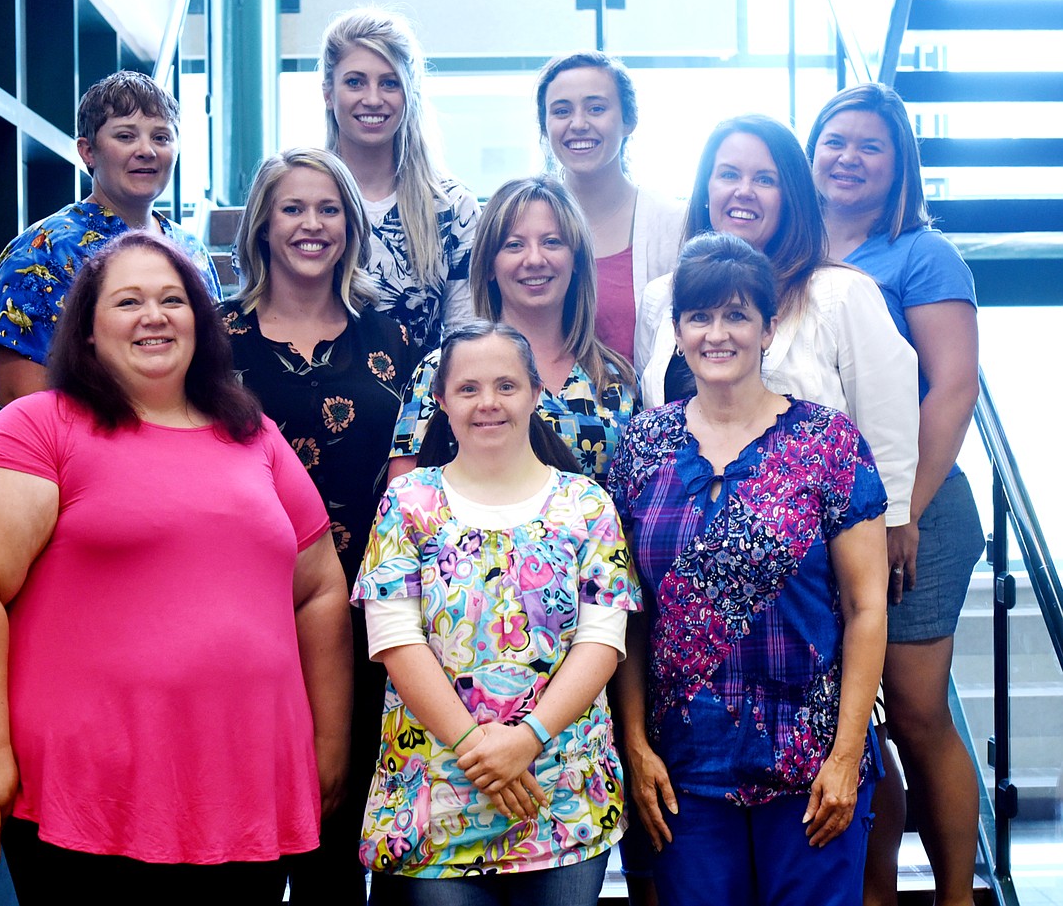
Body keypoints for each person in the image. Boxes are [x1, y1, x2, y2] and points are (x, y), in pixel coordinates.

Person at [0, 231, 351, 904]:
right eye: (128, 301)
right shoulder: (40, 427)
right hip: (86, 791)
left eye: (171, 299)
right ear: (89, 332)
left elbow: (322, 588)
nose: (153, 315)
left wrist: (329, 742)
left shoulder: (254, 435)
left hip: (245, 785)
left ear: (200, 321)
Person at [607, 232, 889, 906]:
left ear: (768, 328)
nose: (717, 333)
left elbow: (868, 607)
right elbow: (627, 612)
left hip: (812, 767)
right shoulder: (642, 446)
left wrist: (847, 755)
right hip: (684, 769)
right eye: (700, 316)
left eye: (736, 315)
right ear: (677, 331)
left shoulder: (828, 442)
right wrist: (636, 745)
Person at [354, 321, 640, 903]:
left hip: (560, 794)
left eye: (507, 386)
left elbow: (602, 642)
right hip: (435, 793)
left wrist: (528, 738)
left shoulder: (587, 504)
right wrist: (477, 750)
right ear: (439, 401)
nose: (488, 403)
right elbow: (393, 640)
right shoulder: (407, 503)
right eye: (468, 389)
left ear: (537, 395)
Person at [219, 146, 422, 905]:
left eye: (329, 208)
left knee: (342, 847)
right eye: (293, 208)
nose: (312, 224)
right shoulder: (212, 337)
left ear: (352, 226)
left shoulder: (397, 338)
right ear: (263, 224)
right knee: (242, 846)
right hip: (247, 618)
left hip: (374, 621)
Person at [807, 83, 984, 906]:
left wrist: (904, 507)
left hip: (919, 511)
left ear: (899, 163)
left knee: (913, 713)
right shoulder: (790, 249)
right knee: (848, 723)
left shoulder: (921, 254)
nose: (848, 157)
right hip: (822, 516)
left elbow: (950, 390)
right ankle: (874, 890)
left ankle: (954, 896)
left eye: (870, 146)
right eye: (835, 141)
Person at [634, 114, 918, 535]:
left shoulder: (841, 293)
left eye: (765, 179)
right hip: (681, 548)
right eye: (728, 174)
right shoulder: (662, 296)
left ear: (792, 197)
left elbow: (886, 428)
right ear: (706, 191)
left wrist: (892, 526)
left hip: (814, 551)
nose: (743, 192)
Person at [0, 70, 219, 406]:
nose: (146, 151)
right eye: (126, 136)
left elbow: (213, 369)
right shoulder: (40, 250)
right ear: (87, 151)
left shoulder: (191, 251)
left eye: (162, 138)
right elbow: (18, 395)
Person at [389, 175, 635, 487]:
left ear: (576, 259)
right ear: (489, 265)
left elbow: (633, 513)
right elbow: (403, 508)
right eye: (514, 245)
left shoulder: (616, 380)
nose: (534, 259)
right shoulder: (441, 369)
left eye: (552, 242)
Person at [320, 6, 479, 349]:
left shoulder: (453, 207)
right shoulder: (297, 203)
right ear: (329, 94)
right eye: (355, 82)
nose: (373, 99)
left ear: (410, 94)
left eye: (389, 83)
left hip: (423, 398)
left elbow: (465, 340)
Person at [535, 52, 684, 365]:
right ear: (545, 128)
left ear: (628, 120)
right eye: (561, 111)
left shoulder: (673, 225)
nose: (578, 124)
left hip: (648, 411)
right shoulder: (522, 224)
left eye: (596, 108)